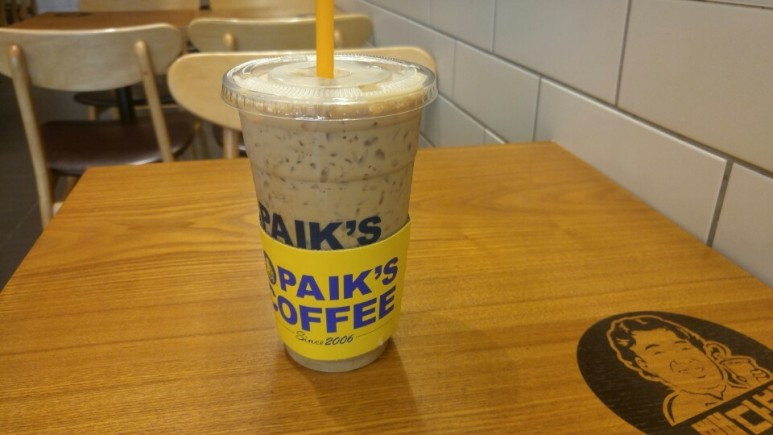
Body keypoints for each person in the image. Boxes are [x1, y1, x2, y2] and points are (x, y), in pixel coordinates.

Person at [606, 315, 770, 425]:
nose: (682, 360)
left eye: (683, 347)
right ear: (644, 365)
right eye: (658, 353)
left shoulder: (748, 376)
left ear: (705, 350)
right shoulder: (683, 409)